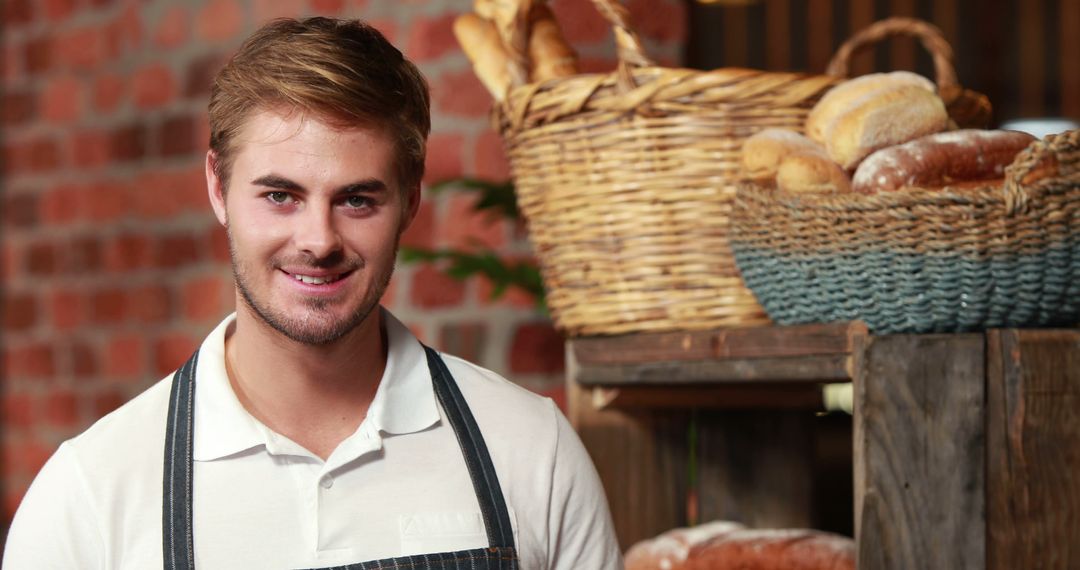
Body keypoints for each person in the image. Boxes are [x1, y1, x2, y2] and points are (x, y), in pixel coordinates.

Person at [3, 17, 621, 569]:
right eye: (280, 196)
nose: (318, 240)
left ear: (410, 200)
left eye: (357, 199)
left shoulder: (531, 450)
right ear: (217, 187)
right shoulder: (90, 494)